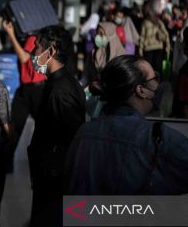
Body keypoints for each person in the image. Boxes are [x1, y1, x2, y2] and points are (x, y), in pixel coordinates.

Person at [64, 55, 188, 195]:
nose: (158, 86)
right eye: (155, 79)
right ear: (141, 90)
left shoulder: (83, 133)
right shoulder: (157, 138)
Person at [27, 26, 86, 226]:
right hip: (50, 173)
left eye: (36, 47)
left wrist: (50, 169)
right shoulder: (60, 83)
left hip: (54, 178)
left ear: (50, 51)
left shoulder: (61, 89)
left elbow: (70, 136)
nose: (33, 53)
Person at [3, 21, 46, 172]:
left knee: (15, 128)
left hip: (34, 91)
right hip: (29, 90)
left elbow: (23, 57)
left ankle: (7, 164)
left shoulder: (33, 39)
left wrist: (10, 34)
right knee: (17, 127)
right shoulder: (40, 38)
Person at [139, 0, 170, 75]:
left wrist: (140, 49)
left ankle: (150, 80)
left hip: (148, 48)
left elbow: (142, 37)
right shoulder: (159, 22)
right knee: (157, 66)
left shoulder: (145, 23)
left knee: (149, 66)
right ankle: (158, 81)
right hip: (159, 47)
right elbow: (166, 34)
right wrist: (168, 46)